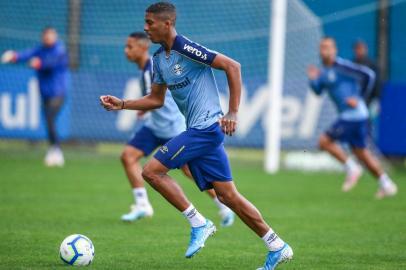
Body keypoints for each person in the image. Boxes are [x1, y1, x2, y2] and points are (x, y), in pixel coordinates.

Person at [100, 2, 293, 269]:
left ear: (167, 24)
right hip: (197, 131)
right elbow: (156, 99)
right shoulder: (158, 59)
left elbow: (232, 66)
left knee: (151, 171)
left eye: (150, 23)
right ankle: (277, 245)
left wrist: (233, 112)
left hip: (206, 129)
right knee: (228, 196)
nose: (146, 28)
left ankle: (199, 222)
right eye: (145, 23)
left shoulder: (186, 48)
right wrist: (122, 104)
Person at [120, 31, 234, 227]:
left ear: (143, 47)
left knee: (190, 171)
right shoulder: (151, 66)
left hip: (172, 128)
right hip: (155, 127)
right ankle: (142, 204)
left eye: (130, 46)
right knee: (128, 156)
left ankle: (222, 206)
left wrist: (130, 105)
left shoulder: (153, 68)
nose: (126, 51)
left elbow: (155, 100)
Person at [307, 37, 397, 199]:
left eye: (327, 47)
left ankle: (351, 168)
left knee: (324, 142)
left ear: (335, 50)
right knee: (362, 153)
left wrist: (360, 98)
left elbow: (369, 75)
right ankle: (386, 183)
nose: (324, 50)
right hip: (351, 116)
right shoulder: (324, 72)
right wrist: (313, 80)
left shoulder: (342, 66)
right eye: (322, 47)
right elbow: (318, 91)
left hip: (354, 115)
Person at [1, 27, 69, 167]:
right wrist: (14, 56)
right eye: (46, 36)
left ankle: (56, 151)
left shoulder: (59, 50)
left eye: (51, 35)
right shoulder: (40, 49)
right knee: (48, 120)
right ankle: (54, 150)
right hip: (45, 93)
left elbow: (51, 63)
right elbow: (26, 55)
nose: (48, 38)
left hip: (58, 93)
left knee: (50, 118)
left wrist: (39, 63)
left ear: (55, 36)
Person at [352, 40, 380, 106]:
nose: (359, 51)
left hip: (370, 98)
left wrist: (376, 98)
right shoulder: (352, 64)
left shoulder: (372, 65)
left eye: (361, 48)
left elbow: (377, 82)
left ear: (366, 49)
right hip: (356, 99)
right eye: (357, 49)